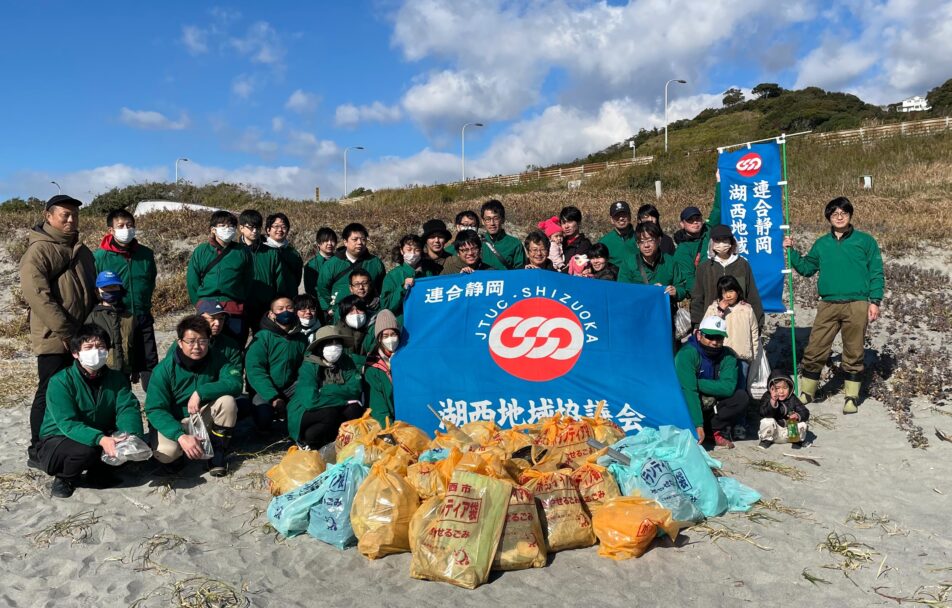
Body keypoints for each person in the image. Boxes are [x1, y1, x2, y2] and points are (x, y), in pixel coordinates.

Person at [784, 196, 884, 414]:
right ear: (828, 217)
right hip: (828, 304)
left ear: (850, 216)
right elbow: (807, 268)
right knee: (815, 348)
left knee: (854, 351)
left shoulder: (865, 241)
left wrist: (874, 301)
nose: (839, 217)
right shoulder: (822, 243)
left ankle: (851, 397)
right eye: (835, 214)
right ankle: (808, 392)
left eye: (844, 213)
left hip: (857, 304)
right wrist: (791, 251)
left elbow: (876, 272)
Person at [21, 194, 98, 465]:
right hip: (55, 338)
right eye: (64, 215)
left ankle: (70, 441)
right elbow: (37, 295)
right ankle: (37, 449)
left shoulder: (82, 250)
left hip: (83, 337)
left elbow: (92, 292)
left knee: (79, 390)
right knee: (48, 391)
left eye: (74, 215)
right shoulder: (39, 250)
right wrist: (66, 332)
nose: (70, 219)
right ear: (48, 216)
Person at [36, 324, 144, 498]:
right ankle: (65, 478)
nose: (96, 351)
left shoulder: (116, 378)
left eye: (101, 347)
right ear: (76, 353)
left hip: (97, 431)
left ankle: (97, 473)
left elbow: (127, 407)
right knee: (87, 450)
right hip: (58, 438)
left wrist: (129, 434)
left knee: (124, 446)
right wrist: (100, 439)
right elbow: (67, 423)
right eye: (88, 347)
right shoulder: (61, 381)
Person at [145, 315, 242, 477]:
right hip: (174, 421)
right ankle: (179, 456)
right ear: (180, 343)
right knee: (167, 454)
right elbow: (155, 409)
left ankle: (217, 452)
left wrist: (201, 392)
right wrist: (180, 436)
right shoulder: (164, 369)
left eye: (202, 340)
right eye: (190, 341)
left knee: (228, 402)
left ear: (209, 341)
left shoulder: (217, 358)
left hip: (200, 417)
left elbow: (236, 382)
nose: (197, 346)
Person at [93, 208, 158, 389]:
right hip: (115, 319)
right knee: (119, 366)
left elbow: (150, 281)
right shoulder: (100, 257)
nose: (126, 229)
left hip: (143, 317)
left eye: (129, 225)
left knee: (149, 365)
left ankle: (154, 408)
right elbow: (94, 288)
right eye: (120, 226)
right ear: (111, 231)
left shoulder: (146, 254)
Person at [674, 316, 748, 449]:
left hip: (710, 399)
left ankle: (712, 430)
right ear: (698, 335)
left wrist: (696, 383)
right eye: (710, 337)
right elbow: (688, 390)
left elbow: (728, 388)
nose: (714, 342)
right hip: (689, 399)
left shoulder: (728, 355)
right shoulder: (687, 354)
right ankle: (696, 427)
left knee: (740, 397)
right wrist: (697, 424)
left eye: (719, 338)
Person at [287, 326, 365, 449]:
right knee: (329, 414)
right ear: (320, 347)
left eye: (337, 343)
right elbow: (311, 401)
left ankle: (340, 442)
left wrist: (326, 390)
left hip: (330, 403)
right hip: (306, 410)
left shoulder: (346, 361)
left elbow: (355, 389)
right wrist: (343, 400)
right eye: (329, 343)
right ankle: (307, 441)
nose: (334, 347)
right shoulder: (308, 366)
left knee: (355, 409)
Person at [245, 296, 309, 433]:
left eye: (289, 308)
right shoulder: (261, 338)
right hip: (265, 390)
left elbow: (306, 368)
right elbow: (255, 371)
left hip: (291, 388)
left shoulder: (302, 339)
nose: (285, 312)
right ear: (271, 314)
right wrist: (274, 397)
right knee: (264, 417)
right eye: (280, 309)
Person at [186, 210, 253, 338]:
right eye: (223, 226)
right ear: (213, 229)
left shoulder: (242, 251)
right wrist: (199, 304)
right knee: (207, 343)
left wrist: (239, 298)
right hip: (207, 307)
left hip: (234, 307)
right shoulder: (201, 250)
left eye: (231, 226)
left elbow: (248, 279)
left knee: (235, 344)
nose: (228, 229)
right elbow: (192, 280)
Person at [691, 224, 764, 329]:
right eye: (717, 240)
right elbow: (698, 297)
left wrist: (758, 323)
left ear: (731, 242)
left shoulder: (742, 264)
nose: (721, 244)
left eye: (725, 240)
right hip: (712, 322)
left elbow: (752, 294)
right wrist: (697, 324)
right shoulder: (704, 267)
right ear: (712, 243)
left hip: (740, 322)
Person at [316, 222, 385, 322]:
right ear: (345, 242)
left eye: (363, 239)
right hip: (341, 314)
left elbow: (381, 287)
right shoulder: (331, 264)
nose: (359, 242)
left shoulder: (375, 263)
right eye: (355, 239)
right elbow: (322, 288)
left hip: (369, 314)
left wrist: (378, 299)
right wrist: (330, 308)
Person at [704, 276, 759, 386]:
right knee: (722, 386)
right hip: (721, 356)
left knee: (740, 386)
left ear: (738, 291)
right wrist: (720, 311)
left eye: (731, 291)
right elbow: (707, 326)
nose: (728, 295)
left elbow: (754, 331)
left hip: (741, 356)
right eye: (724, 292)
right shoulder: (714, 308)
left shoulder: (747, 309)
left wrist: (754, 353)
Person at [618, 222, 686, 304]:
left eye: (650, 240)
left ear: (659, 240)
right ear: (637, 244)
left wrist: (675, 292)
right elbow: (622, 291)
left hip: (664, 312)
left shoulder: (670, 261)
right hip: (639, 311)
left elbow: (682, 287)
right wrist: (648, 291)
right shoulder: (628, 263)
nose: (646, 245)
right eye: (642, 242)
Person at [237, 209, 278, 337]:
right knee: (238, 342)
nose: (255, 231)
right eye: (251, 227)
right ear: (241, 228)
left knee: (264, 340)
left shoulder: (271, 253)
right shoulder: (233, 252)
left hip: (264, 308)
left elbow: (279, 282)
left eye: (258, 227)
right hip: (240, 307)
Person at [86, 271, 135, 376]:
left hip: (125, 372)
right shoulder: (93, 317)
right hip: (102, 371)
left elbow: (137, 346)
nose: (110, 290)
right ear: (97, 291)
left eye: (114, 286)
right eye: (106, 287)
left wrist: (135, 369)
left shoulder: (130, 317)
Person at [672, 193, 721, 293]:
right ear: (682, 224)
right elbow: (689, 279)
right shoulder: (682, 249)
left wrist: (719, 181)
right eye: (690, 220)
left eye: (697, 219)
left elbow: (718, 209)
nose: (695, 222)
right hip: (704, 293)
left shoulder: (708, 229)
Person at [381, 234, 437, 318]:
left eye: (417, 250)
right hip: (403, 324)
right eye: (409, 250)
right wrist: (402, 288)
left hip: (426, 320)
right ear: (401, 251)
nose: (413, 254)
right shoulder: (392, 276)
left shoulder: (428, 272)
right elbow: (386, 306)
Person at [362, 309, 399, 426]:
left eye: (393, 334)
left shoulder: (408, 359)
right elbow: (378, 406)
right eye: (386, 336)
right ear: (379, 339)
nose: (390, 339)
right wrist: (390, 429)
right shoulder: (373, 367)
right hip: (390, 421)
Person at [758, 371, 809, 450]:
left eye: (785, 388)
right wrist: (773, 401)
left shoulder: (792, 398)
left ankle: (797, 441)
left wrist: (797, 416)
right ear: (771, 389)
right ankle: (766, 440)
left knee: (802, 424)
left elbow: (805, 412)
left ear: (790, 387)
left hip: (790, 433)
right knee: (766, 421)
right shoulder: (767, 396)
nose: (781, 391)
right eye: (777, 388)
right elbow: (763, 412)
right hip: (774, 433)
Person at [197, 300, 245, 373]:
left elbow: (234, 375)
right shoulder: (185, 343)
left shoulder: (231, 346)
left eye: (221, 319)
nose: (218, 323)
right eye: (212, 318)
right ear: (201, 319)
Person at [264, 213, 303, 299]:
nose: (280, 230)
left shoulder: (294, 253)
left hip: (289, 299)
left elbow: (297, 278)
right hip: (267, 300)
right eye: (276, 226)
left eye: (283, 227)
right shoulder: (262, 251)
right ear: (268, 230)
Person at [479, 199, 525, 270]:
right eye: (488, 219)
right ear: (482, 221)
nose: (492, 223)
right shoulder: (477, 243)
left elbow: (520, 272)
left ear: (503, 219)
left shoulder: (515, 244)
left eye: (496, 218)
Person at [303, 227, 339, 307]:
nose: (329, 243)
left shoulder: (341, 262)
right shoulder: (311, 265)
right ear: (318, 243)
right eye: (326, 241)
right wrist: (326, 306)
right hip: (321, 306)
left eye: (332, 240)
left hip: (339, 304)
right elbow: (311, 290)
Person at [597, 200, 637, 268]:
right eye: (617, 215)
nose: (621, 218)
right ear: (611, 220)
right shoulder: (604, 242)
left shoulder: (641, 237)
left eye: (624, 215)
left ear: (630, 217)